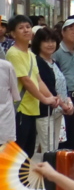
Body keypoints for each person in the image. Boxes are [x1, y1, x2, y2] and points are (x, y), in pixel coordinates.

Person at [8, 15, 56, 165]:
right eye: (21, 28)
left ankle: (22, 183)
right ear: (13, 34)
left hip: (31, 108)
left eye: (28, 27)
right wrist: (45, 99)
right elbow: (26, 81)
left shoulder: (30, 54)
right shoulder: (13, 53)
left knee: (28, 152)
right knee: (18, 151)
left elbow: (38, 80)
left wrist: (52, 98)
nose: (26, 30)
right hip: (20, 109)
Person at [33, 27, 73, 155]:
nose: (50, 44)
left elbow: (62, 86)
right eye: (46, 41)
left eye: (53, 41)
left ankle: (50, 174)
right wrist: (64, 105)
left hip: (57, 111)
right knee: (48, 149)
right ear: (38, 43)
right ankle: (46, 175)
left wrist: (69, 103)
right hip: (46, 110)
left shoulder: (54, 62)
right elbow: (46, 87)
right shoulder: (37, 62)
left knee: (54, 148)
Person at [53, 18, 74, 151]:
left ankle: (69, 169)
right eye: (71, 29)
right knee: (61, 138)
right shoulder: (57, 52)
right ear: (63, 32)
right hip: (61, 98)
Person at [0, 53, 20, 190]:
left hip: (5, 124)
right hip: (5, 122)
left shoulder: (6, 66)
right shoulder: (6, 67)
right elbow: (16, 95)